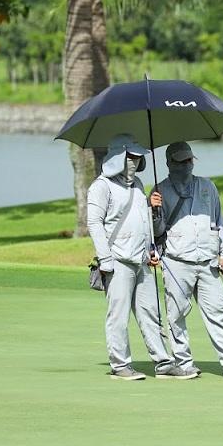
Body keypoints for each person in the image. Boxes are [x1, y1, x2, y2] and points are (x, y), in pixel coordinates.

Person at [150, 141, 223, 379]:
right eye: (181, 161)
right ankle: (183, 362)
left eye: (189, 160)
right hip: (176, 261)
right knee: (176, 314)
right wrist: (154, 210)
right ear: (170, 163)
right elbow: (155, 230)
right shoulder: (159, 191)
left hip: (209, 260)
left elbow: (219, 221)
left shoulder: (207, 186)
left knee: (219, 313)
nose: (186, 165)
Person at [87, 133, 194, 381]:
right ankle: (120, 364)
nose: (135, 162)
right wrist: (105, 260)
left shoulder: (137, 186)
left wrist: (152, 248)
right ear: (118, 157)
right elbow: (94, 223)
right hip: (117, 261)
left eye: (137, 157)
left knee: (150, 314)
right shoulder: (101, 186)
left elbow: (144, 223)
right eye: (131, 157)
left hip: (142, 260)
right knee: (119, 315)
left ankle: (163, 362)